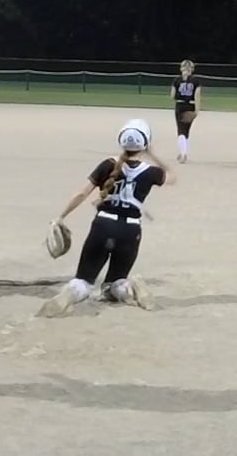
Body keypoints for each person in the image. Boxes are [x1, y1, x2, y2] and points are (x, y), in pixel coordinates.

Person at [39, 119, 172, 317]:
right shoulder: (151, 172)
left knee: (84, 281)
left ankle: (71, 293)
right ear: (145, 142)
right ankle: (131, 288)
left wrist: (61, 216)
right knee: (114, 284)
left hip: (103, 225)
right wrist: (152, 154)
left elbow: (82, 194)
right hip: (131, 230)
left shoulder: (107, 165)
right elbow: (172, 176)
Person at [172, 59, 202, 162]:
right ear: (192, 69)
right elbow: (197, 96)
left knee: (181, 131)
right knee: (186, 130)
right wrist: (197, 111)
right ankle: (182, 151)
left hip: (180, 105)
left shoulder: (177, 80)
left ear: (181, 68)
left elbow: (172, 95)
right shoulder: (196, 81)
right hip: (191, 106)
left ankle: (183, 153)